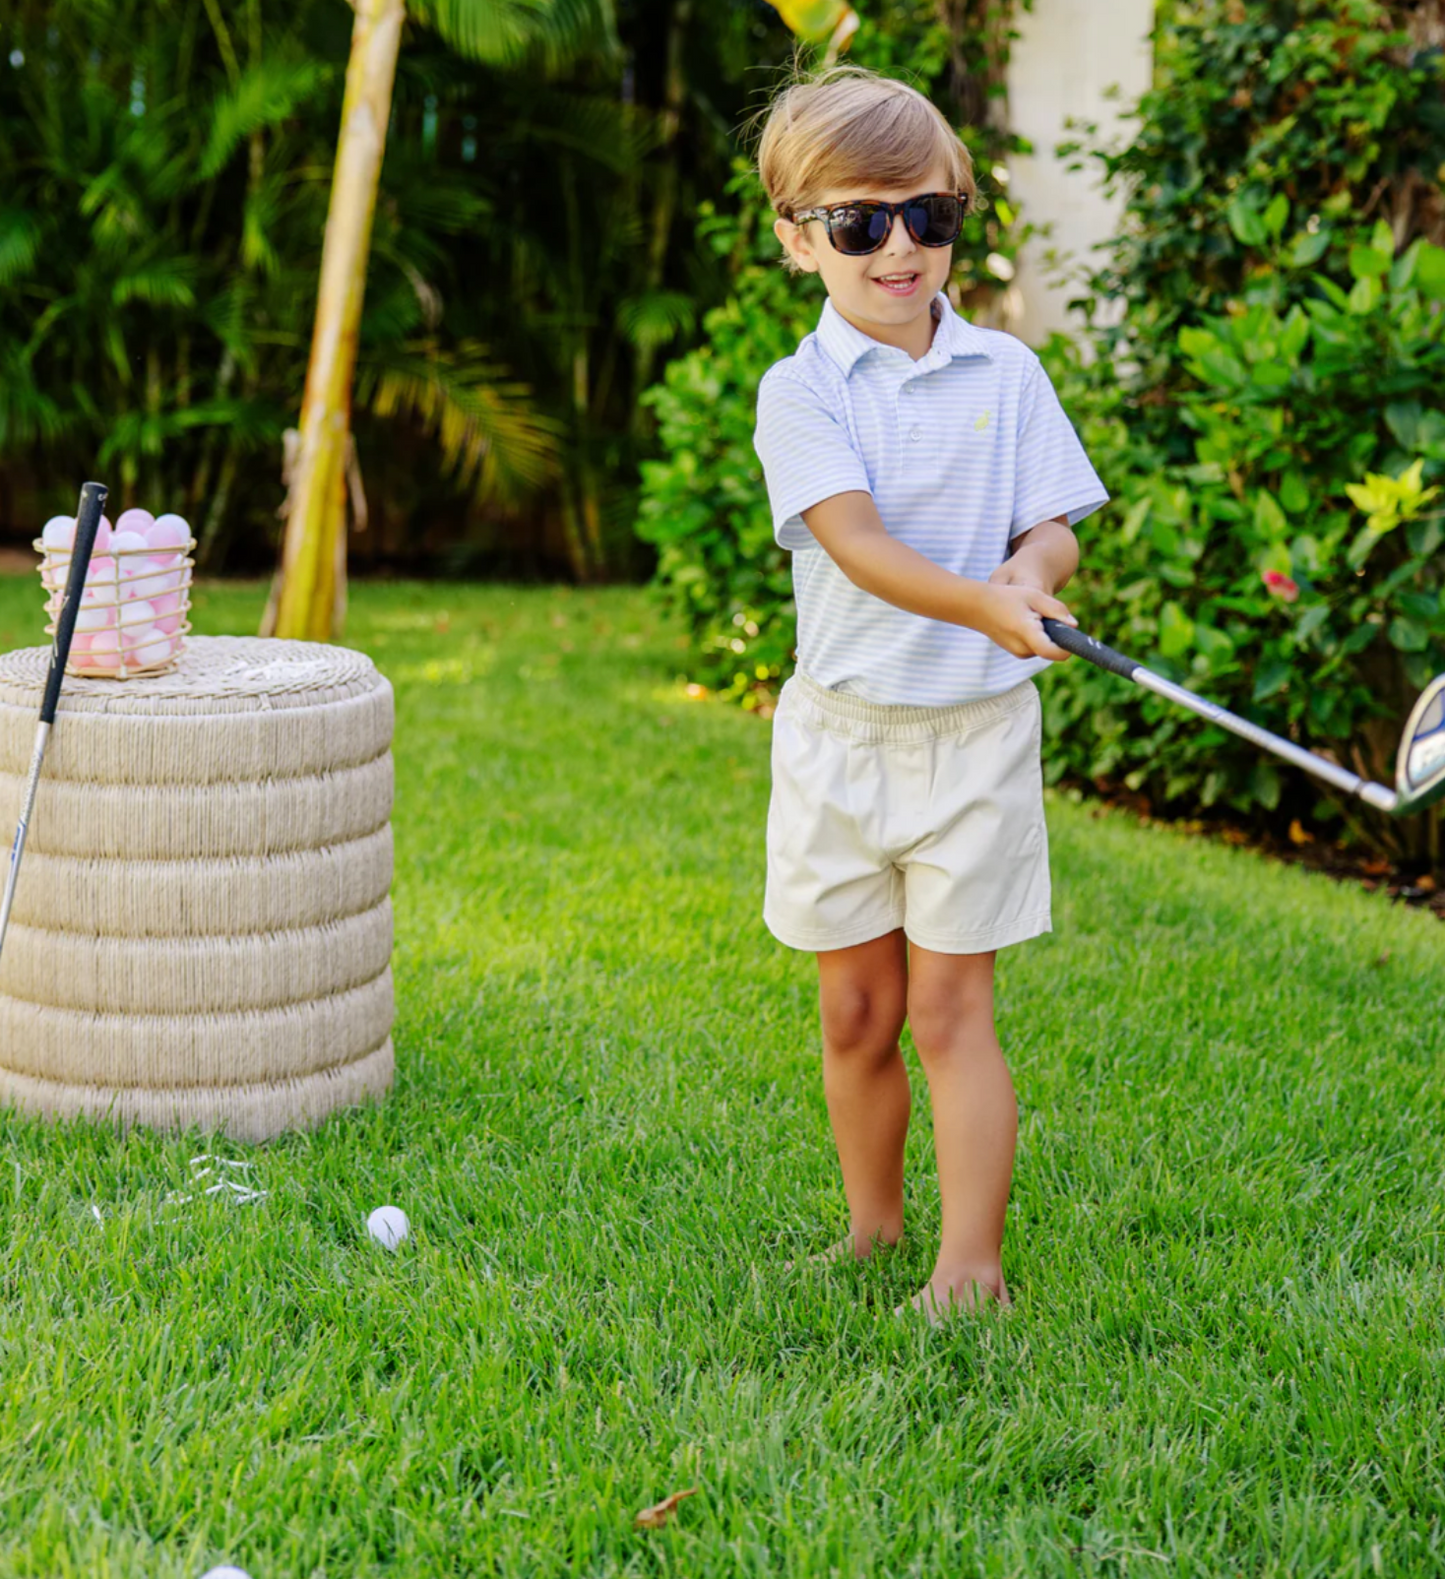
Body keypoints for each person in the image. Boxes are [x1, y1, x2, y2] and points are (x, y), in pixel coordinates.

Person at [752, 66, 1108, 1321]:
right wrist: (983, 602)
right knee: (854, 1011)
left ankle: (970, 1264)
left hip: (974, 743)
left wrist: (1029, 566)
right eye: (858, 222)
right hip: (842, 740)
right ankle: (870, 1229)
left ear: (956, 214)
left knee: (952, 1011)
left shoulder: (1003, 374)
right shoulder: (799, 393)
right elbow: (856, 544)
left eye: (928, 217)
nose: (898, 247)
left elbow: (1052, 527)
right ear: (800, 239)